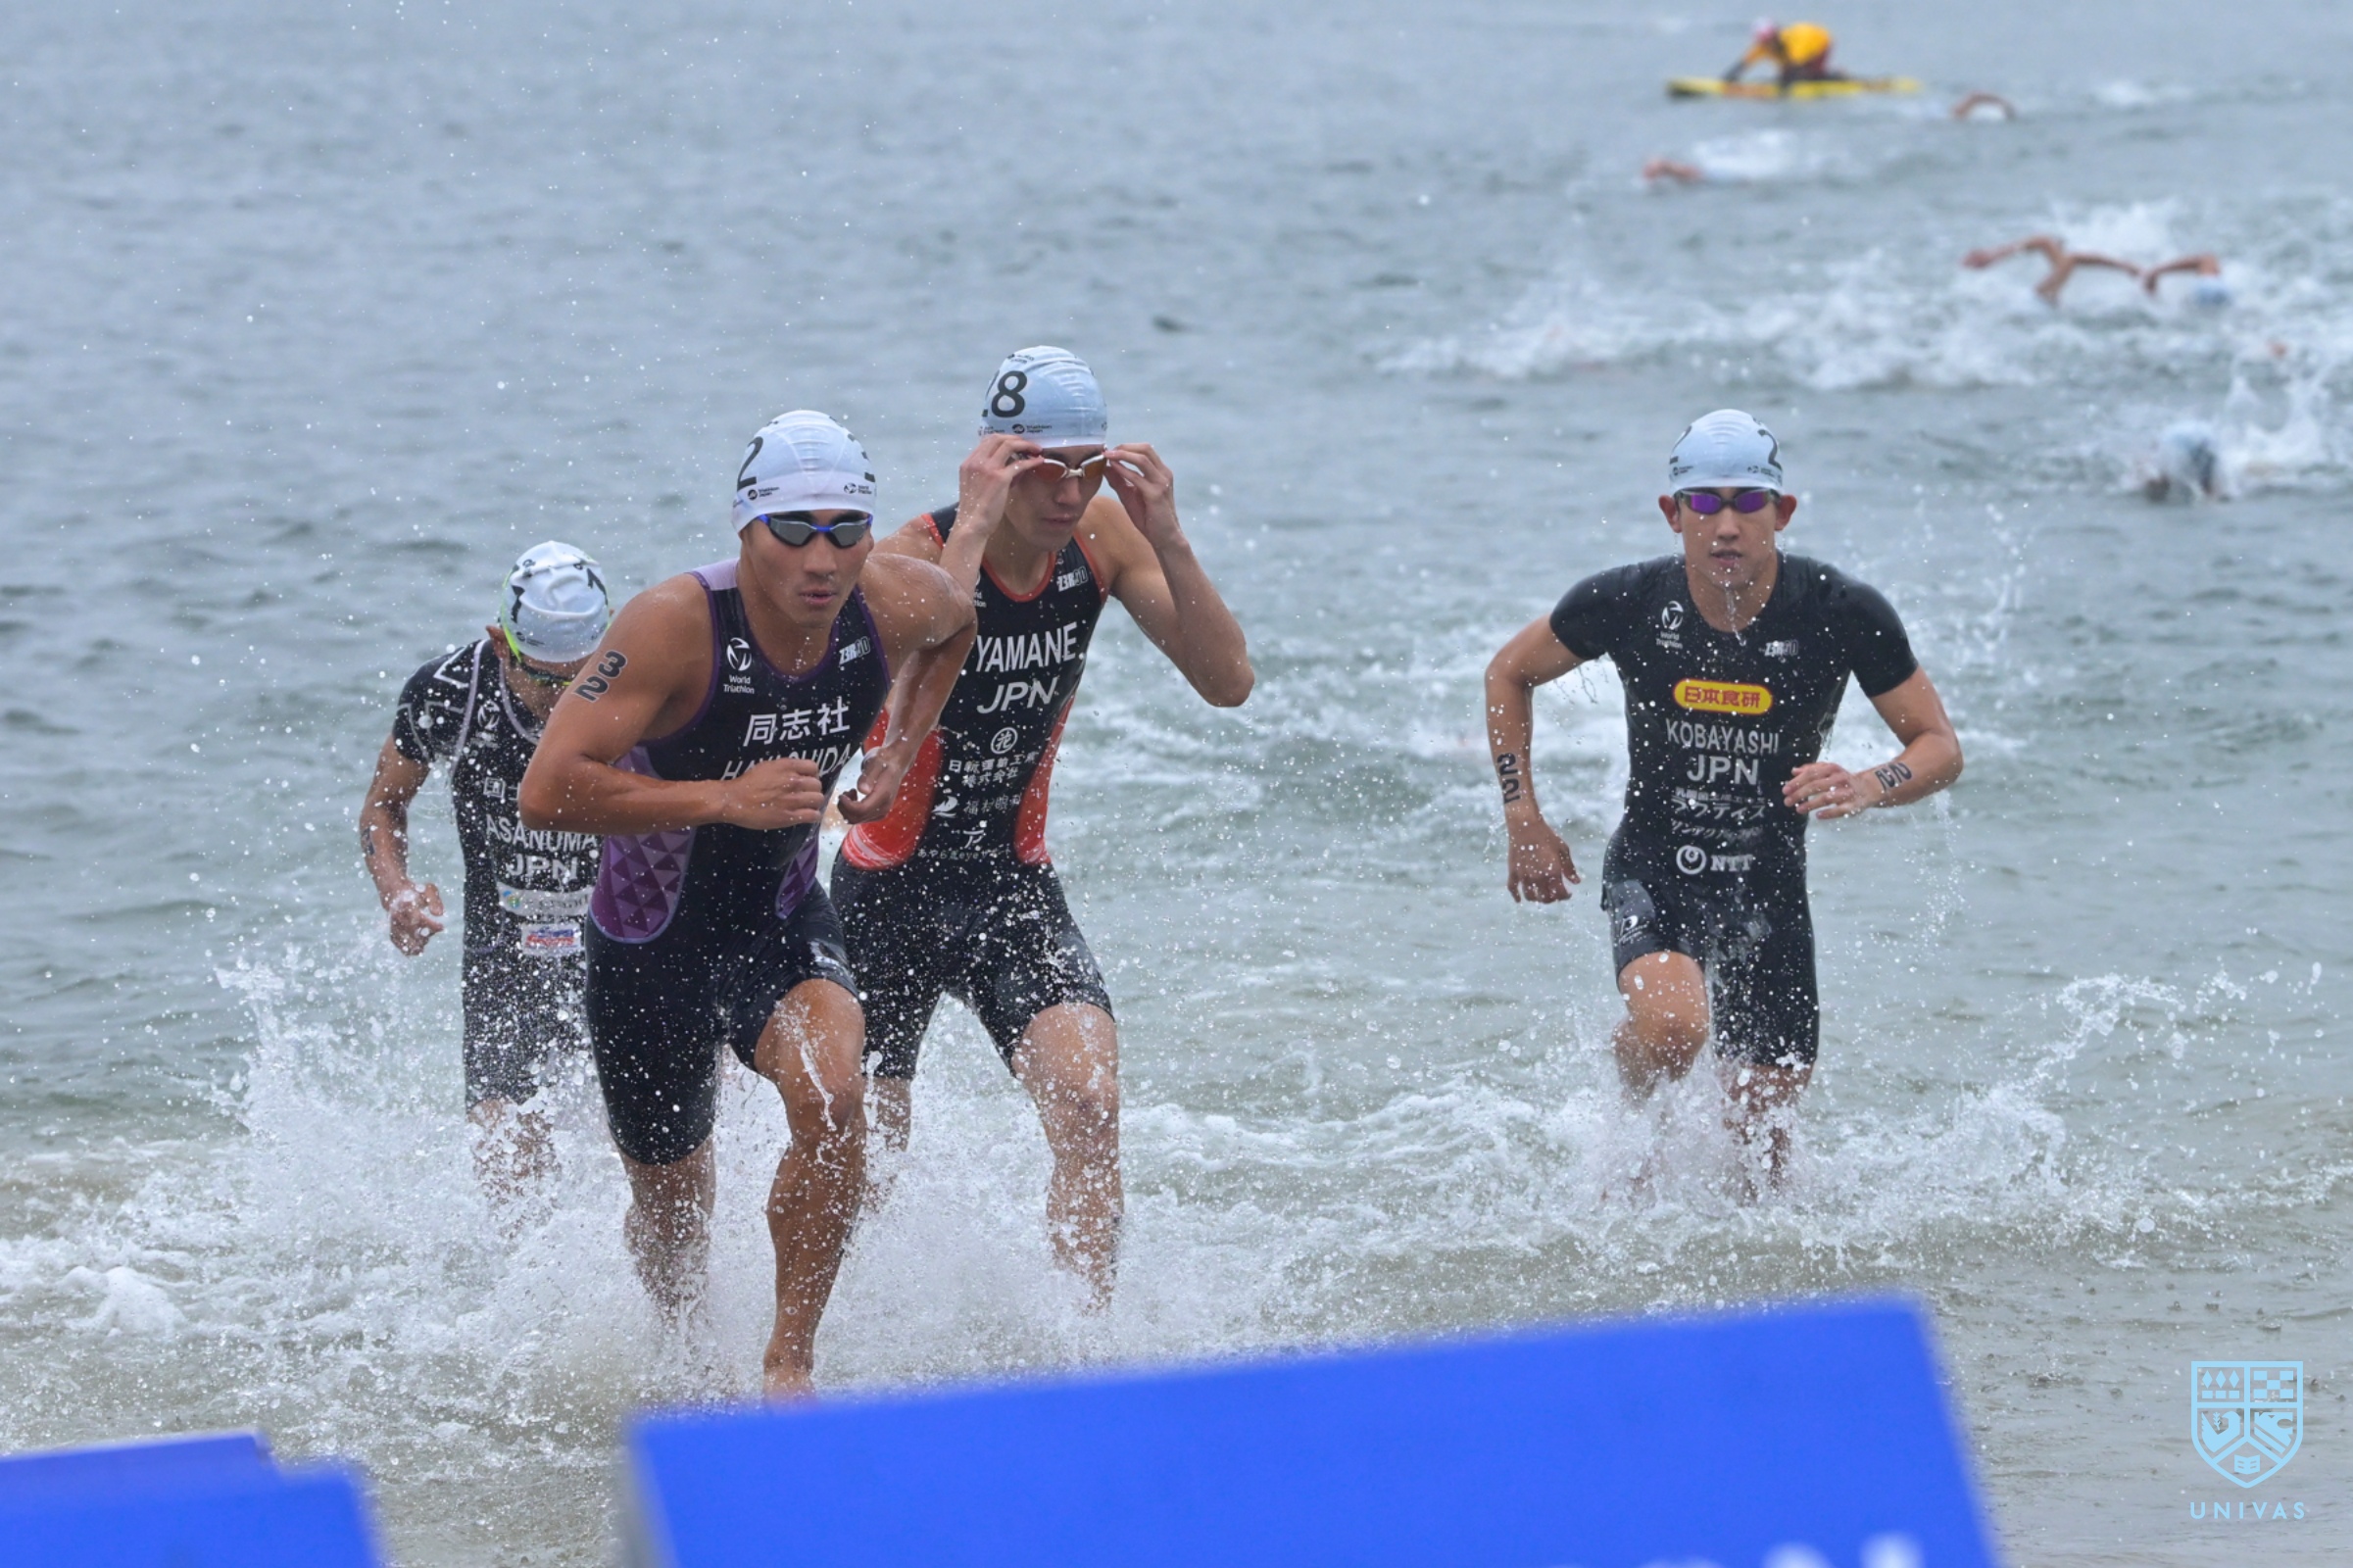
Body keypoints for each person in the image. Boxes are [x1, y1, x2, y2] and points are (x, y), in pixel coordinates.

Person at [517, 412, 975, 1396]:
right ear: (746, 528)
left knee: (834, 1101)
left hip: (779, 923)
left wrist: (898, 753)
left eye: (846, 529)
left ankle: (788, 1366)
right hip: (648, 950)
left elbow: (958, 625)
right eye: (793, 530)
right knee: (672, 1212)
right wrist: (721, 799)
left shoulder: (894, 602)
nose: (822, 558)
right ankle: (682, 1349)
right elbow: (547, 789)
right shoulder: (673, 625)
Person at [832, 347, 1253, 1306]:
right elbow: (906, 677)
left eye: (1086, 468)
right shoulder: (905, 555)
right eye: (1042, 469)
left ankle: (1081, 1344)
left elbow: (1227, 682)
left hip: (1009, 884)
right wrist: (974, 526)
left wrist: (1168, 536)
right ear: (994, 461)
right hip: (885, 891)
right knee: (861, 1154)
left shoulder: (1102, 540)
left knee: (1091, 1106)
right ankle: (839, 1339)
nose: (1068, 493)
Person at [1484, 411, 1962, 1182]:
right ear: (1673, 514)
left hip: (1769, 882)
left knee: (1762, 1157)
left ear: (1782, 511)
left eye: (1747, 502)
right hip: (1655, 864)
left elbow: (1937, 747)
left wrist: (1870, 783)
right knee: (1674, 1032)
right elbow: (1509, 672)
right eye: (1704, 503)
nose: (1726, 525)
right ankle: (1625, 1109)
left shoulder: (1839, 610)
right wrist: (1522, 817)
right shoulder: (1629, 599)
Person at [359, 542, 613, 1200]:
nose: (565, 700)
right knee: (505, 1164)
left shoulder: (640, 684)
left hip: (626, 938)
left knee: (659, 1142)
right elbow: (384, 806)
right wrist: (397, 892)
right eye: (547, 682)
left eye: (581, 678)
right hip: (506, 949)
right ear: (502, 645)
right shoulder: (450, 693)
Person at [1962, 235, 2141, 305]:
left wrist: (1994, 256)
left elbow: (2044, 243)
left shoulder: (2045, 291)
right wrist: (2125, 266)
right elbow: (2069, 256)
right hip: (2036, 302)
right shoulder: (2044, 293)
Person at [1725, 21, 1840, 86]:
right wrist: (1727, 79)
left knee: (1810, 75)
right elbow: (1743, 64)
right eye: (1765, 42)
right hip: (1797, 54)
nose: (1769, 45)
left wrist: (1785, 83)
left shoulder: (1793, 43)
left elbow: (1797, 66)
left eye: (1771, 40)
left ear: (1776, 35)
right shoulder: (1762, 47)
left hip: (1819, 42)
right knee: (1787, 76)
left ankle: (1837, 78)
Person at [2142, 253, 2231, 307]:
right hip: (2218, 294)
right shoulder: (2225, 280)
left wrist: (2156, 271)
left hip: (2205, 292)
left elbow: (2203, 260)